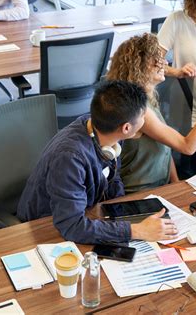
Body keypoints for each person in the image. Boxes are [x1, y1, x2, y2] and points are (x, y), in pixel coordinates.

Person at [17, 80, 179, 244]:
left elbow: (113, 178)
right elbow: (72, 227)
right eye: (143, 116)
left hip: (85, 211)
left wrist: (123, 214)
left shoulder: (106, 130)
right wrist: (136, 230)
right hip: (45, 228)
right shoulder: (70, 158)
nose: (145, 120)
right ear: (127, 128)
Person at [106, 33, 196, 193]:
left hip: (161, 185)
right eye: (156, 61)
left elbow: (166, 146)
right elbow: (187, 147)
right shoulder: (138, 108)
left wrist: (175, 182)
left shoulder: (147, 96)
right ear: (138, 66)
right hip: (140, 193)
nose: (165, 63)